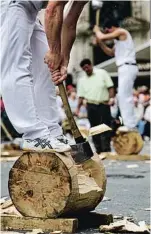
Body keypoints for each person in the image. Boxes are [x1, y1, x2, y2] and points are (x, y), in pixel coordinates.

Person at [1, 0, 87, 152]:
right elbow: (53, 9)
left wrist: (63, 60)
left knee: (45, 69)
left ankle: (51, 130)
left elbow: (70, 23)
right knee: (16, 65)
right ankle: (34, 136)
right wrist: (54, 52)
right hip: (12, 4)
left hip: (31, 10)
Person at [93, 19, 138, 132]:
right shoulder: (119, 41)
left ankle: (130, 125)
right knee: (122, 96)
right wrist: (100, 43)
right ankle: (129, 123)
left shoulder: (122, 32)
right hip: (124, 68)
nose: (108, 33)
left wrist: (97, 31)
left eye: (107, 30)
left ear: (112, 27)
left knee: (124, 96)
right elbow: (111, 53)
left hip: (127, 66)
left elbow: (103, 36)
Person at [77, 58, 114, 153]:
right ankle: (98, 149)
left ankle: (106, 148)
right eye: (84, 68)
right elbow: (81, 96)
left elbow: (110, 87)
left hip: (104, 104)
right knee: (94, 128)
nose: (86, 69)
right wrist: (78, 108)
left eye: (87, 67)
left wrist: (111, 98)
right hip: (91, 106)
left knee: (106, 126)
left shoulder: (102, 73)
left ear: (90, 65)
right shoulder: (82, 80)